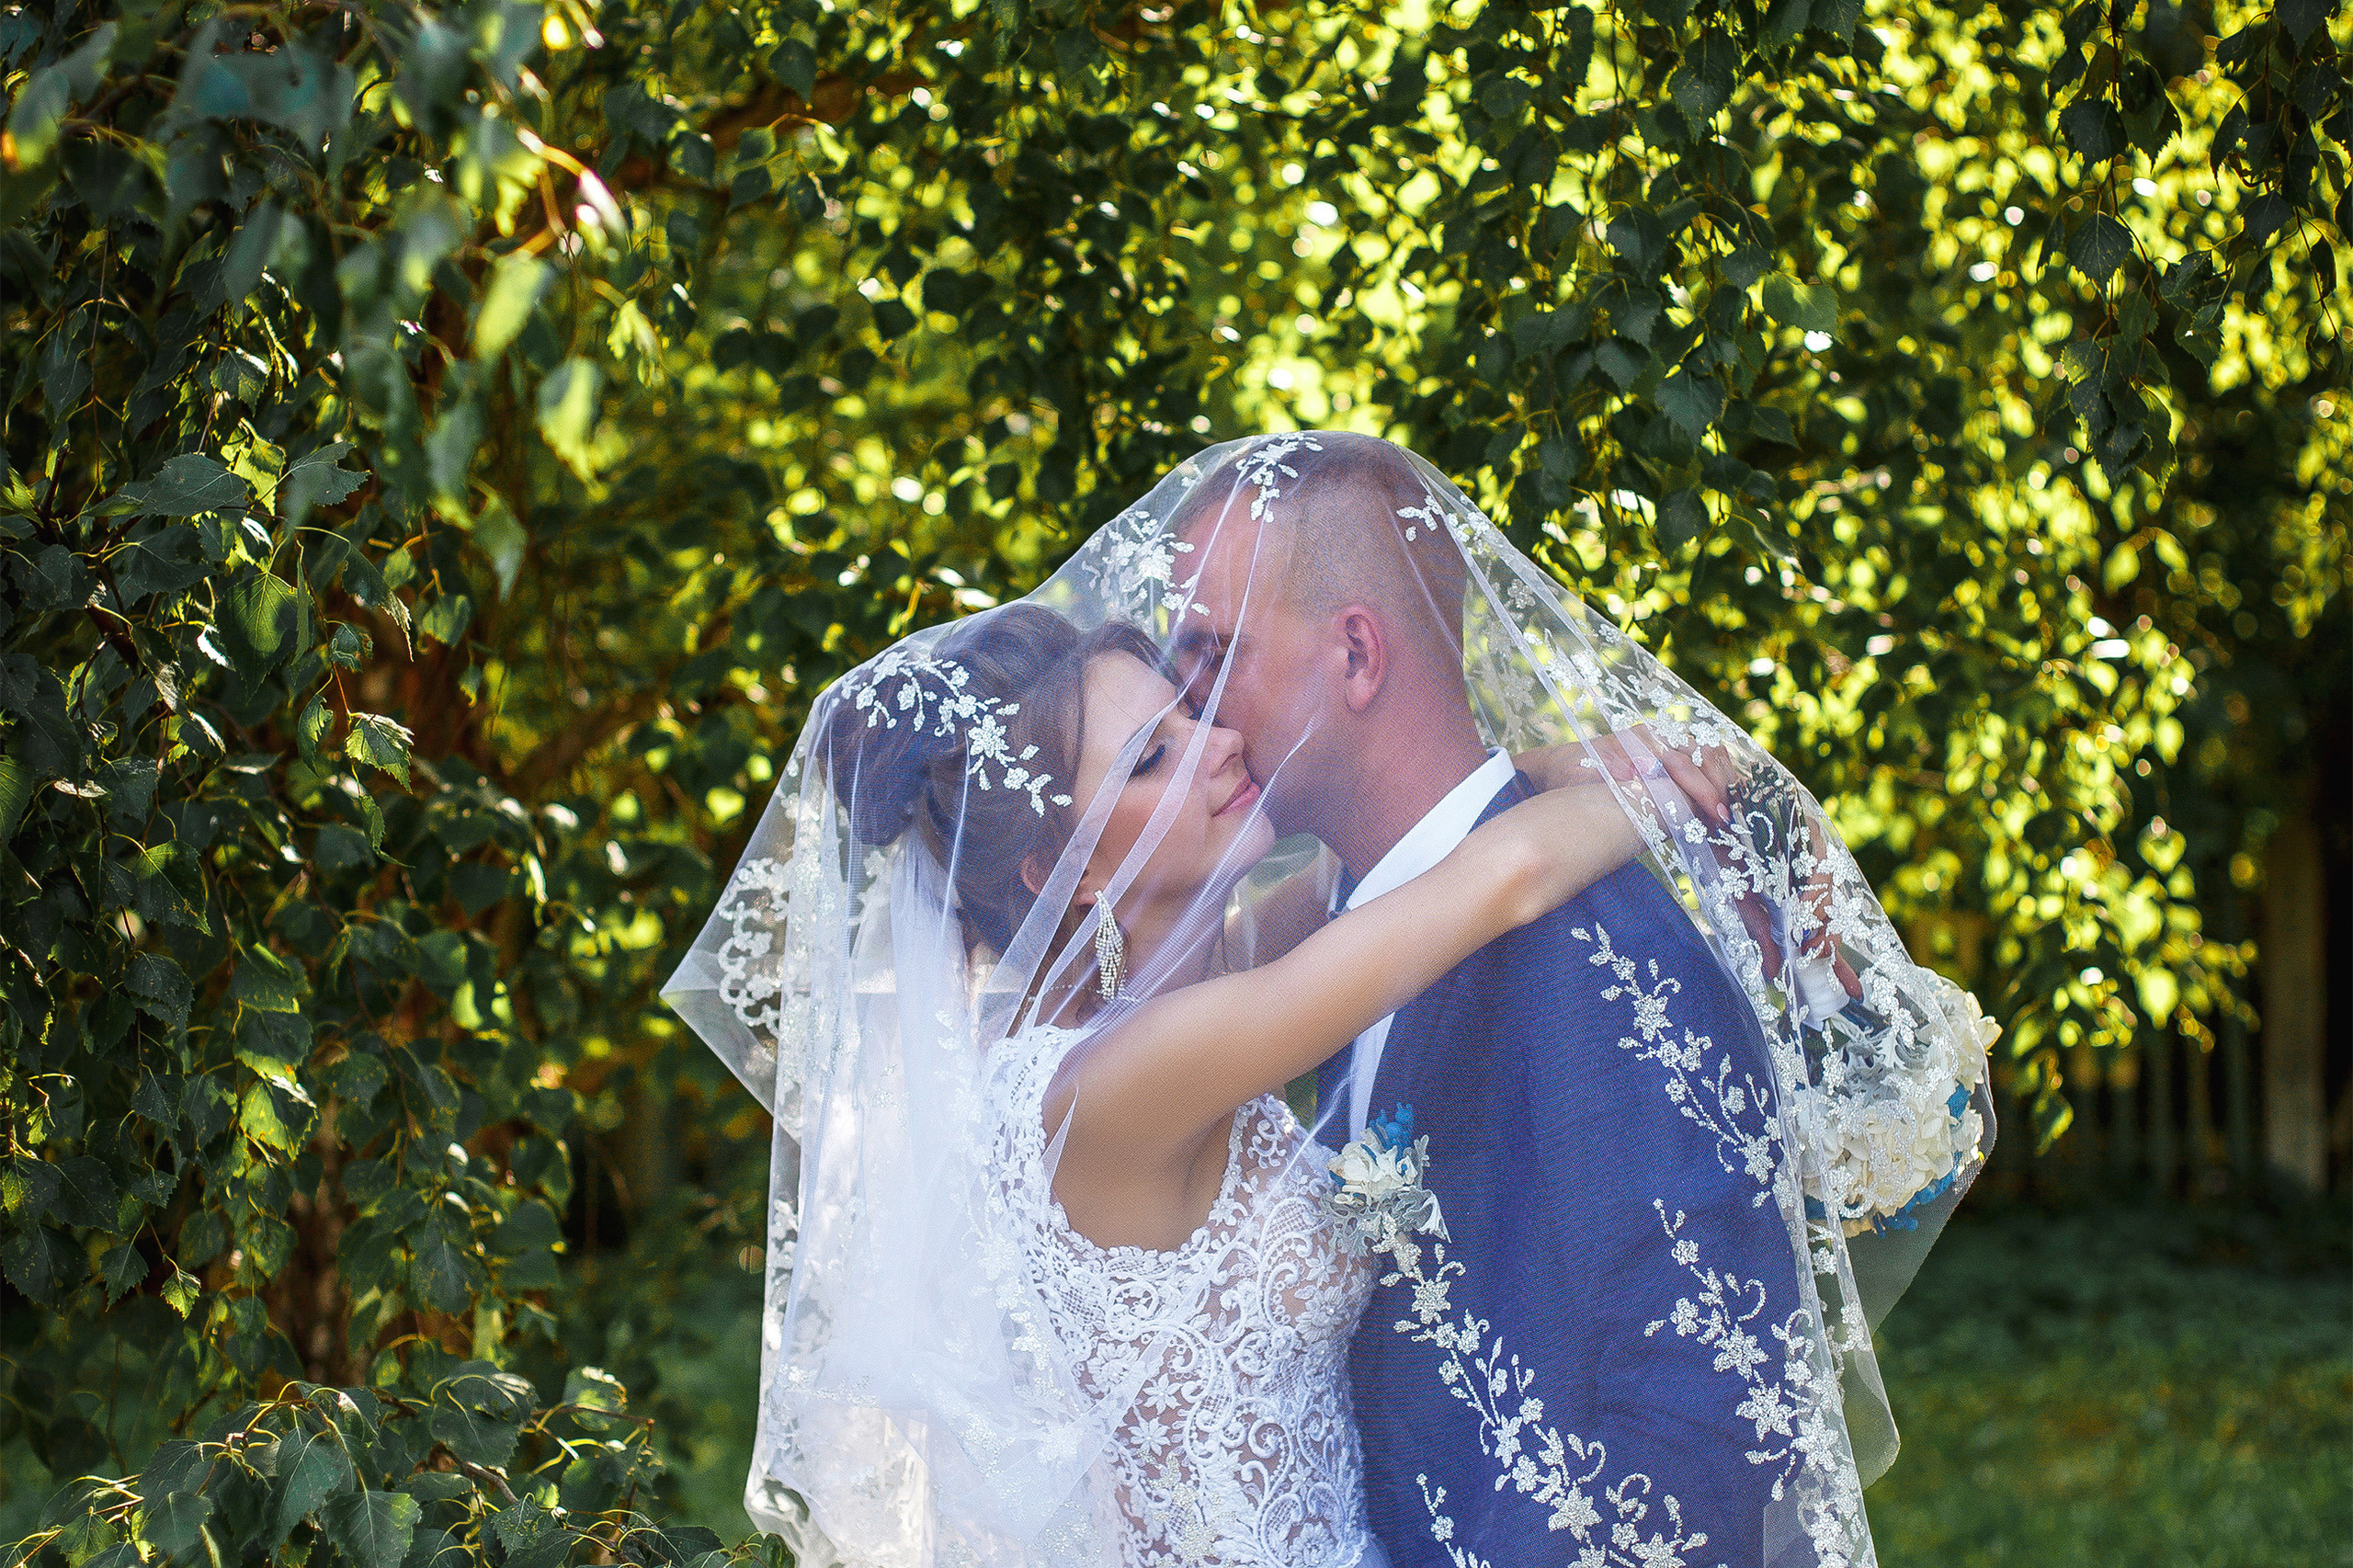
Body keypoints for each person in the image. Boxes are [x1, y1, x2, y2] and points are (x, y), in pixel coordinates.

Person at [663, 435, 1997, 1568]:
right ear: (1056, 870)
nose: (1211, 729)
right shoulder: (1126, 1074)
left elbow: (1391, 888)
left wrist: (1542, 757)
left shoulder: (1188, 977)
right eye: (1153, 751)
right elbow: (1495, 876)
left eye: (1200, 669)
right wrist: (1673, 786)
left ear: (1354, 653)